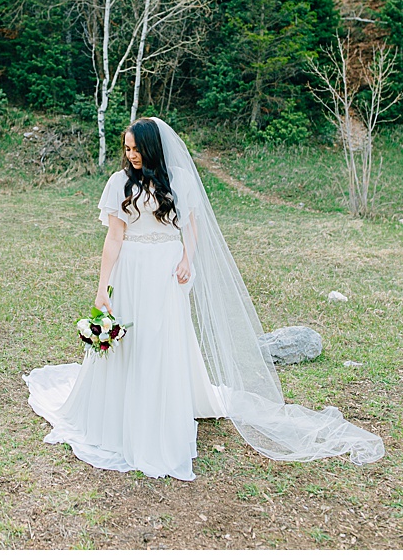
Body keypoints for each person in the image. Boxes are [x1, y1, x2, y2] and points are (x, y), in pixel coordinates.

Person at [26, 117, 384, 480]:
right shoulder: (119, 183)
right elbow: (114, 239)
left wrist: (186, 258)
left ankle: (161, 406)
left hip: (166, 271)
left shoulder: (178, 180)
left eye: (137, 148)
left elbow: (191, 226)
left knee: (161, 337)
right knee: (131, 339)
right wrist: (102, 287)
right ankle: (122, 409)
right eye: (127, 148)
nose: (131, 155)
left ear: (153, 148)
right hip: (131, 270)